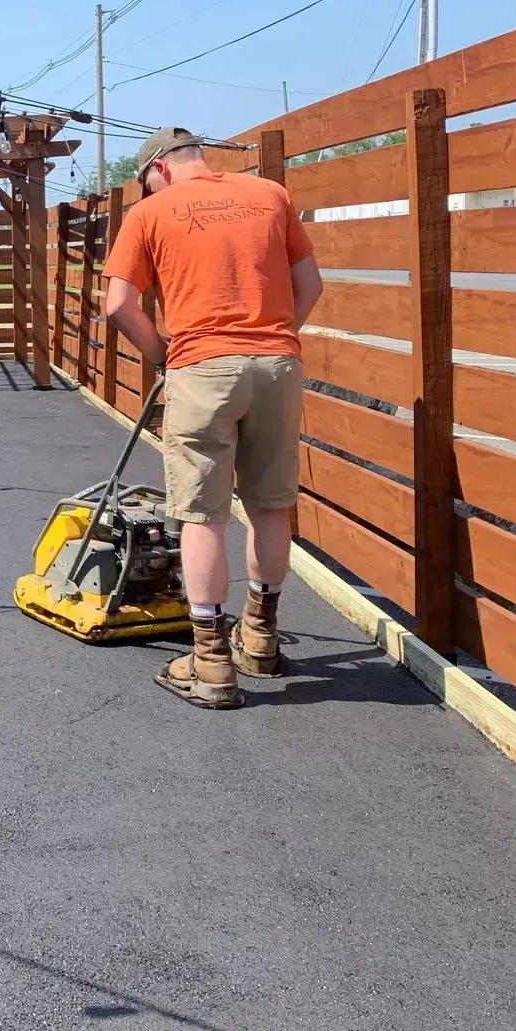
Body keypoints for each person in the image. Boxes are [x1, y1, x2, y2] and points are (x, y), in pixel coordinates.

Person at [100, 127, 324, 709]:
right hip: (278, 364)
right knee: (271, 507)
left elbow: (119, 303)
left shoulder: (151, 213)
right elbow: (310, 284)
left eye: (146, 181)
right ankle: (261, 639)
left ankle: (210, 662)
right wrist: (270, 340)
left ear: (161, 170)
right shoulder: (270, 194)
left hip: (203, 367)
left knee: (202, 517)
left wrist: (163, 355)